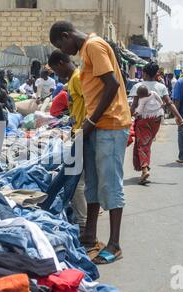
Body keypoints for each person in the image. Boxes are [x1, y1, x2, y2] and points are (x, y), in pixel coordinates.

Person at [50, 21, 132, 264]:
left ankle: (115, 244)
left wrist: (91, 122)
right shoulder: (86, 50)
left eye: (60, 45)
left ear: (66, 36)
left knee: (110, 184)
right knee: (93, 185)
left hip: (110, 125)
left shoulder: (95, 46)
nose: (63, 51)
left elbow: (113, 85)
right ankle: (90, 237)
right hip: (96, 126)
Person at [48, 49, 88, 234]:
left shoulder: (78, 78)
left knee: (75, 181)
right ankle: (47, 203)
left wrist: (84, 130)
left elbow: (90, 104)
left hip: (83, 134)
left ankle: (83, 224)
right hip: (78, 133)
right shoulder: (72, 80)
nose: (57, 75)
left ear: (61, 63)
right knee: (68, 176)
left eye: (56, 71)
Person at [129, 62, 183, 181]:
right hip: (156, 120)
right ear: (156, 74)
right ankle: (145, 166)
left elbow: (134, 105)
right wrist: (180, 120)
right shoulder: (161, 87)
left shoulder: (138, 86)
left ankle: (144, 169)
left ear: (144, 73)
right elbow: (169, 103)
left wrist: (127, 119)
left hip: (142, 119)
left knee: (142, 144)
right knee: (147, 143)